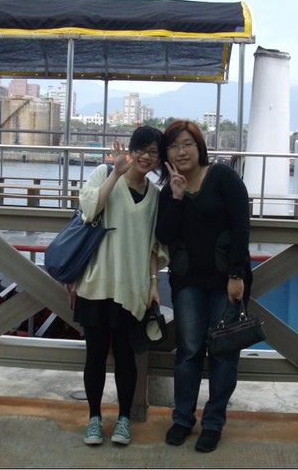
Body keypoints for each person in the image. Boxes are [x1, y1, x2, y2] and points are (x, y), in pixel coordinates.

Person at [155, 120, 253, 453]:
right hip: (188, 281)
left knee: (223, 352)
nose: (181, 152)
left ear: (200, 147)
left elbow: (241, 226)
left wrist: (237, 274)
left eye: (187, 144)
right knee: (189, 350)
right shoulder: (169, 190)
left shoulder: (223, 176)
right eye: (173, 146)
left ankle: (213, 422)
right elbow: (164, 235)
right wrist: (177, 197)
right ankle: (183, 418)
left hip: (226, 280)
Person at [72, 126, 168, 446]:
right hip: (97, 283)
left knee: (127, 357)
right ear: (131, 148)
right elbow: (89, 211)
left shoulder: (154, 196)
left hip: (132, 286)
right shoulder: (103, 173)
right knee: (96, 354)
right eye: (141, 149)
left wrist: (153, 283)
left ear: (159, 159)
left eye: (153, 152)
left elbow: (154, 246)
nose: (146, 157)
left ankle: (124, 418)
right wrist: (115, 173)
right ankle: (94, 418)